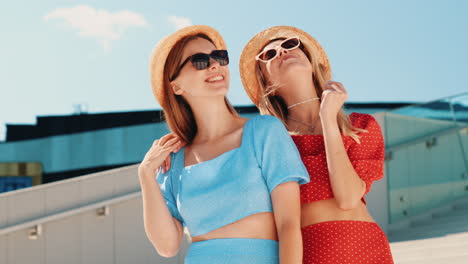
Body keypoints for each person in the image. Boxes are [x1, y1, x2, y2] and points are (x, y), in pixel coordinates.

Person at [139, 25, 310, 264]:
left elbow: (290, 225)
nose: (215, 65)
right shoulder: (174, 162)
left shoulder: (263, 131)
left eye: (219, 57)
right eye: (199, 60)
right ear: (176, 86)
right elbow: (167, 246)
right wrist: (146, 174)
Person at [239, 25, 394, 264]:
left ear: (309, 60)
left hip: (367, 245)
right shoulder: (269, 140)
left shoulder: (360, 125)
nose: (281, 51)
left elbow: (348, 198)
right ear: (266, 81)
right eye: (269, 55)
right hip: (310, 249)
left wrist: (328, 120)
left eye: (290, 44)